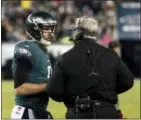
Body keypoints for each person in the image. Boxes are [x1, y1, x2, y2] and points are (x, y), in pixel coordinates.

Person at [47, 16, 134, 119]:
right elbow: (128, 81)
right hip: (108, 113)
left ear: (77, 33)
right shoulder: (112, 55)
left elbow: (54, 91)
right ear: (95, 33)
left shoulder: (65, 59)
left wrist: (71, 96)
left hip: (78, 113)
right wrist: (108, 92)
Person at [11, 11, 57, 119]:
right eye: (46, 28)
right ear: (35, 29)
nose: (50, 32)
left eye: (51, 28)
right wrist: (49, 85)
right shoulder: (26, 47)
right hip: (26, 111)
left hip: (38, 110)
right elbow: (20, 88)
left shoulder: (42, 50)